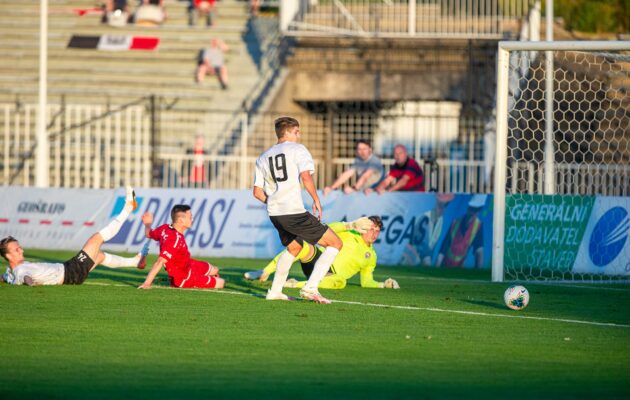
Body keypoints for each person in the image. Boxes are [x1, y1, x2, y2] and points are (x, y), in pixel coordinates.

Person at [253, 116, 343, 303]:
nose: (299, 135)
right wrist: (316, 199)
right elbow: (306, 177)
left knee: (294, 248)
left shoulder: (263, 157)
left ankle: (275, 291)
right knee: (335, 243)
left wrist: (275, 203)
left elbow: (256, 192)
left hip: (275, 214)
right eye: (298, 131)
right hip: (294, 212)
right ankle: (311, 288)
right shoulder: (298, 149)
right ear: (292, 132)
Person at [0, 187, 142, 286]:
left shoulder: (10, 273)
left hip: (68, 271)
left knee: (99, 256)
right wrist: (29, 282)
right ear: (8, 256)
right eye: (17, 250)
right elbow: (25, 279)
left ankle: (135, 262)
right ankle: (128, 208)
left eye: (19, 247)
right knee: (96, 238)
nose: (21, 250)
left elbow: (6, 277)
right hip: (70, 272)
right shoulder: (20, 271)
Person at [244, 216, 400, 290]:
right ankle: (264, 271)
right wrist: (349, 225)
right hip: (318, 261)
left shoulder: (371, 257)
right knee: (300, 245)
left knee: (341, 282)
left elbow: (366, 282)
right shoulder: (351, 232)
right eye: (370, 228)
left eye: (377, 231)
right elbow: (325, 228)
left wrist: (382, 285)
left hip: (330, 276)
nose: (373, 233)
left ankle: (293, 284)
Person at [138, 204, 224, 289]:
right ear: (181, 220)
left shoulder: (165, 227)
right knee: (221, 282)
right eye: (190, 217)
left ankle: (207, 278)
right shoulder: (174, 240)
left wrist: (147, 224)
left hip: (188, 264)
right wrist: (147, 283)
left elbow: (149, 234)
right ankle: (203, 280)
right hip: (183, 277)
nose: (192, 219)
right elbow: (160, 262)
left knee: (215, 270)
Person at [404, 193, 454, 266]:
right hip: (411, 257)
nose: (442, 209)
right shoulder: (424, 217)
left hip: (422, 260)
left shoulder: (441, 220)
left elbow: (432, 246)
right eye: (440, 205)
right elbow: (419, 245)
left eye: (445, 205)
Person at [437, 194, 486, 268]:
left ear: (479, 210)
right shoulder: (455, 223)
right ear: (468, 207)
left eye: (475, 210)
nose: (472, 212)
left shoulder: (478, 227)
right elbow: (443, 249)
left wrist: (477, 275)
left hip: (459, 269)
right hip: (444, 266)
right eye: (471, 208)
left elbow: (479, 251)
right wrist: (436, 268)